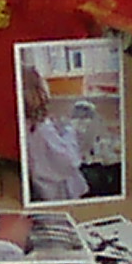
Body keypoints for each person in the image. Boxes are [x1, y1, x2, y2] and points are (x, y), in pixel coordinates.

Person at [21, 65, 88, 203]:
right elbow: (70, 161)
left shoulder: (29, 125)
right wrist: (69, 131)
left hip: (44, 189)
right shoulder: (41, 128)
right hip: (58, 194)